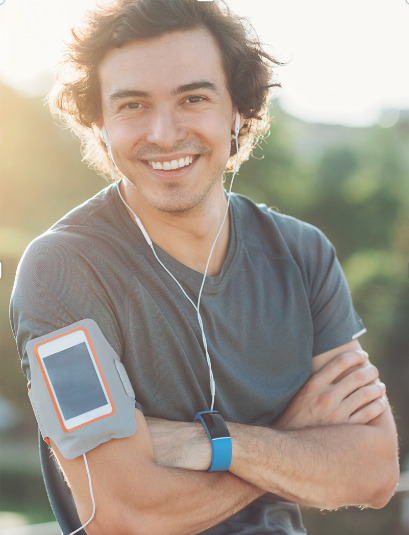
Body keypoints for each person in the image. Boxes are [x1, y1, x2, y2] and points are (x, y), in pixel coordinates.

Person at [10, 1, 399, 534]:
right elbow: (121, 515)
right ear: (99, 123)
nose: (165, 133)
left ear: (239, 109)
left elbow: (372, 470)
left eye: (193, 98)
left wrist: (210, 444)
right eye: (132, 105)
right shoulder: (62, 270)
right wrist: (292, 441)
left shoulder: (303, 253)